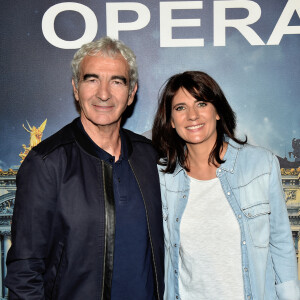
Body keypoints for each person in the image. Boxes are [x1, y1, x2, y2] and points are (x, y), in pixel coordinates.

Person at [5, 37, 164, 299]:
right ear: (76, 89)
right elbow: (25, 273)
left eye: (116, 81)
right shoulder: (46, 162)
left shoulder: (148, 156)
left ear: (132, 92)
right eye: (92, 79)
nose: (104, 93)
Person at [152, 71, 300, 300]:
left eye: (201, 103)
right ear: (171, 121)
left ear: (218, 111)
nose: (192, 115)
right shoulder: (163, 176)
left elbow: (280, 244)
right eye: (180, 108)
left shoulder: (260, 165)